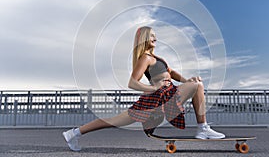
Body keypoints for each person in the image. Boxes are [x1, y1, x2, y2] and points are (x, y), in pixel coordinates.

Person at [63, 26, 225, 151]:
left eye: (155, 35)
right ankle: (74, 133)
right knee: (113, 121)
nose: (156, 38)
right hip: (156, 99)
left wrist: (186, 80)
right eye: (152, 35)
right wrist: (153, 87)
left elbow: (171, 73)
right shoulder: (145, 58)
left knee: (197, 85)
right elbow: (132, 82)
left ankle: (203, 128)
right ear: (144, 38)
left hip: (168, 94)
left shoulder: (156, 58)